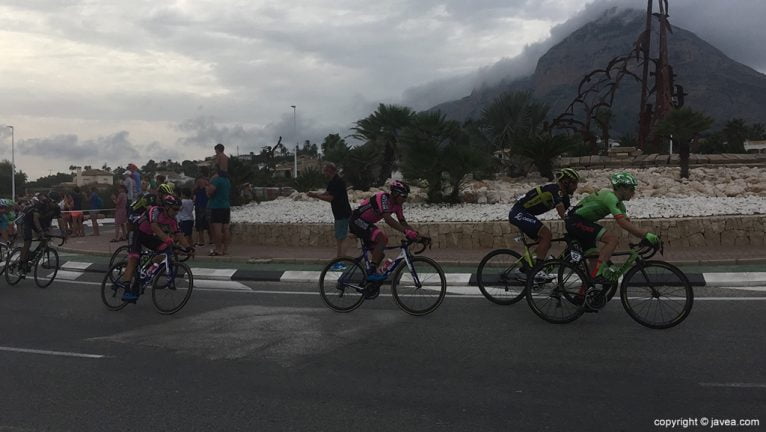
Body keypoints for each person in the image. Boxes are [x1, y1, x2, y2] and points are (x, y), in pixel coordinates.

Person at [565, 172, 661, 285]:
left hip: (583, 222)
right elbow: (622, 223)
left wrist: (643, 237)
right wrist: (645, 235)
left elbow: (628, 225)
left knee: (594, 260)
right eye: (631, 189)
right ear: (621, 188)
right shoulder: (610, 197)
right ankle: (599, 274)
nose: (633, 192)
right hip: (574, 220)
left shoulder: (620, 205)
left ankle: (585, 293)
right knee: (612, 239)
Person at [115, 195, 192, 302]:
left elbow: (179, 234)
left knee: (165, 248)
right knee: (134, 259)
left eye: (178, 210)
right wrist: (168, 239)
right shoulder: (155, 211)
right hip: (137, 233)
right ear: (166, 207)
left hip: (148, 236)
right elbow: (154, 227)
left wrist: (188, 248)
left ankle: (147, 270)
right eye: (175, 209)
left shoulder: (172, 219)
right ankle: (127, 290)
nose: (177, 212)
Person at [509, 168, 580, 268]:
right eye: (574, 184)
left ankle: (525, 268)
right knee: (546, 235)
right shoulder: (555, 191)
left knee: (546, 243)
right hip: (518, 212)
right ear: (565, 182)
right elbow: (563, 214)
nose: (576, 187)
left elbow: (570, 214)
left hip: (525, 213)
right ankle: (538, 270)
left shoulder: (564, 196)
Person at [349, 180, 418, 282]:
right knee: (382, 239)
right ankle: (372, 273)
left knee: (380, 255)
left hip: (366, 224)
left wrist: (418, 235)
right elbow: (387, 219)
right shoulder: (383, 198)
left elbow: (403, 223)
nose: (405, 199)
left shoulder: (397, 206)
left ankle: (369, 281)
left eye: (406, 196)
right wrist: (406, 232)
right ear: (395, 193)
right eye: (403, 196)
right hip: (356, 220)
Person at [307, 163, 352, 267]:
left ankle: (341, 261)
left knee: (343, 237)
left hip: (343, 212)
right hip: (338, 213)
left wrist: (316, 196)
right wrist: (314, 194)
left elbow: (331, 198)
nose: (324, 172)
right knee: (339, 238)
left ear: (330, 170)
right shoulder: (332, 181)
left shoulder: (338, 182)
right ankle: (338, 259)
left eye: (325, 170)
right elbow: (327, 193)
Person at [20, 191, 67, 274]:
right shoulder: (41, 205)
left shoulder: (56, 207)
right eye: (52, 201)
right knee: (28, 241)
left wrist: (63, 233)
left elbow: (60, 220)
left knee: (45, 239)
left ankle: (33, 256)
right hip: (29, 220)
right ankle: (22, 262)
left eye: (56, 202)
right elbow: (35, 219)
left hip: (42, 222)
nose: (54, 204)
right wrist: (40, 231)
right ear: (49, 200)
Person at [206, 172, 231, 256]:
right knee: (226, 228)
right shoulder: (227, 180)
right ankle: (226, 249)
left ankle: (218, 249)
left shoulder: (216, 180)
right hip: (226, 206)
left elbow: (210, 193)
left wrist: (209, 184)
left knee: (217, 229)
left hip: (217, 206)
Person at [193, 166, 211, 246]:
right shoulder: (209, 180)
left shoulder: (199, 180)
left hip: (199, 203)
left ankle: (201, 241)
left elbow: (194, 190)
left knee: (200, 224)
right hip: (208, 204)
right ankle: (211, 240)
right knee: (209, 223)